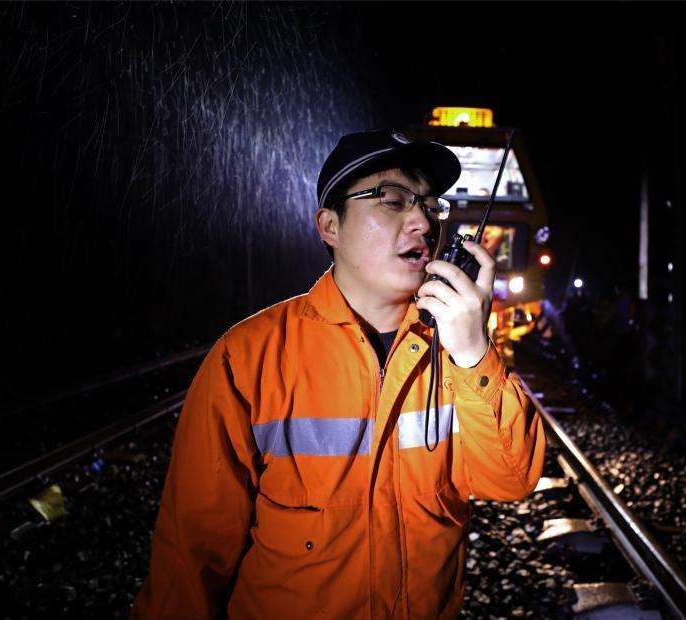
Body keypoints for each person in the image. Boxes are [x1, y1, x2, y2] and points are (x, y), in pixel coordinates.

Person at [130, 130, 546, 619]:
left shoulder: (457, 351)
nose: (423, 221)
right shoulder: (248, 357)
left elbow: (510, 479)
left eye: (431, 206)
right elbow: (190, 555)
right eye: (392, 200)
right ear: (330, 226)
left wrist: (474, 352)